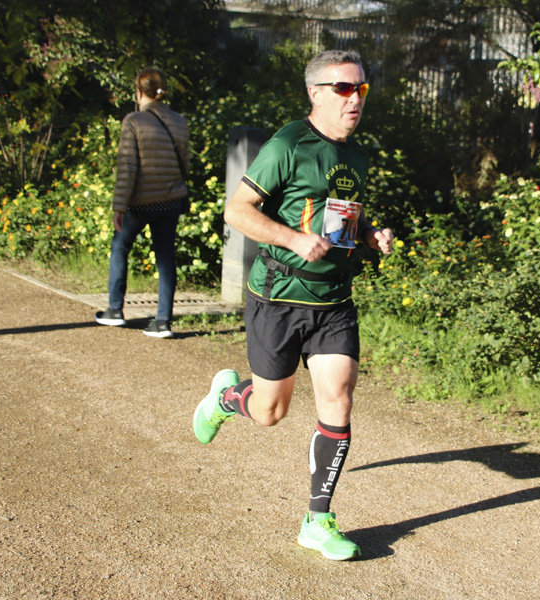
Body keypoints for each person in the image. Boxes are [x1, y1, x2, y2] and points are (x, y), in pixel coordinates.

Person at [192, 49, 394, 561]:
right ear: (316, 93)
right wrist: (291, 240)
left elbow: (342, 221)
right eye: (345, 89)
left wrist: (369, 236)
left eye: (362, 88)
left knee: (339, 399)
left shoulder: (356, 156)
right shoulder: (288, 144)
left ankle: (317, 519)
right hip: (278, 298)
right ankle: (226, 400)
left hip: (332, 301)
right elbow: (237, 211)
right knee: (269, 412)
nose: (355, 99)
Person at [93, 67, 189, 338]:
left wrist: (119, 206)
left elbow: (127, 167)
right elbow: (184, 162)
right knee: (165, 259)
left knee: (120, 246)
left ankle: (114, 310)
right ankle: (162, 322)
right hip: (170, 200)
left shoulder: (133, 121)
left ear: (138, 91)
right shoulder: (179, 121)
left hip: (140, 203)